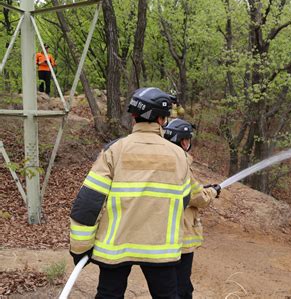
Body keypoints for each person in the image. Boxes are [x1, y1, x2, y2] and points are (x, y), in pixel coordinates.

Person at [69, 87, 192, 299]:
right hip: (160, 249)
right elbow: (184, 199)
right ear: (162, 120)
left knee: (109, 295)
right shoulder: (179, 156)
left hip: (116, 247)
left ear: (134, 116)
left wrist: (81, 248)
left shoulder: (114, 151)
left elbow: (88, 204)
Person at [163, 118, 221, 299]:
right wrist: (212, 191)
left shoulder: (162, 161)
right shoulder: (180, 164)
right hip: (181, 237)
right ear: (184, 141)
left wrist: (203, 189)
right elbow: (198, 198)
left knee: (167, 285)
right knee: (182, 288)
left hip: (161, 235)